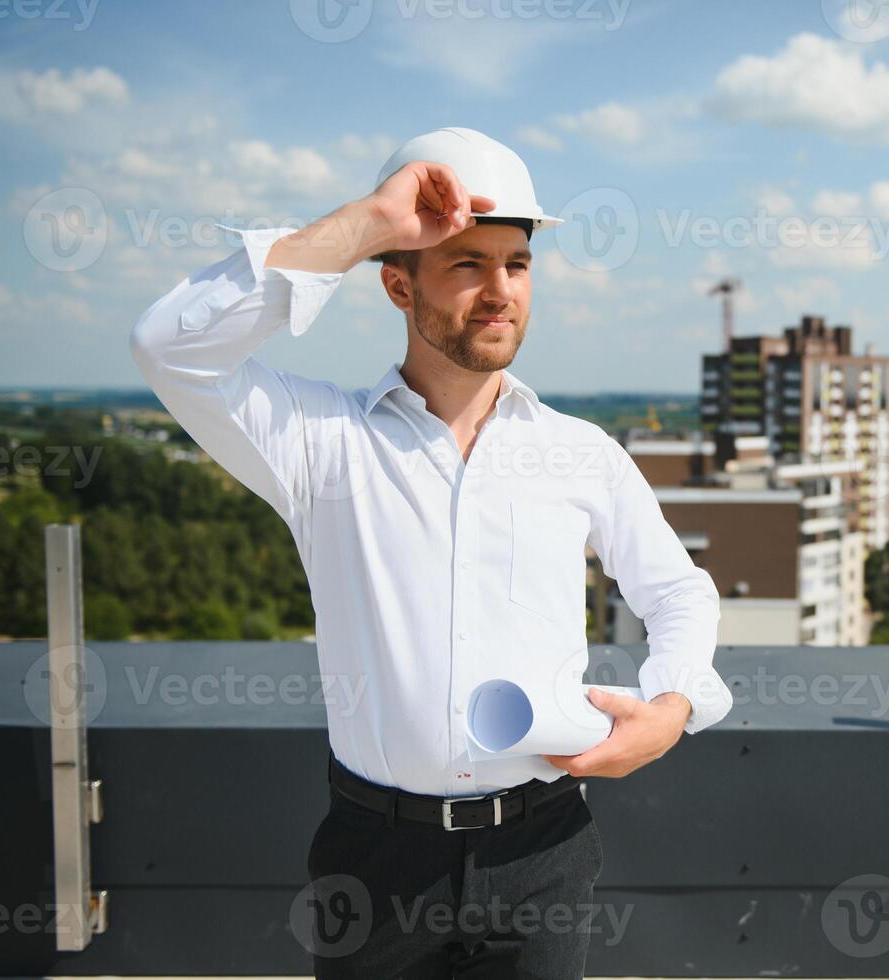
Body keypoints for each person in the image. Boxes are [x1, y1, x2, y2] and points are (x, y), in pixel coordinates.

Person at [129, 127, 734, 978]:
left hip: (545, 854)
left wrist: (670, 710)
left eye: (516, 264)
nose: (500, 292)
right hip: (375, 866)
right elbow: (169, 347)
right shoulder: (319, 442)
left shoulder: (579, 451)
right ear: (396, 284)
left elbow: (679, 593)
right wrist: (367, 221)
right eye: (465, 264)